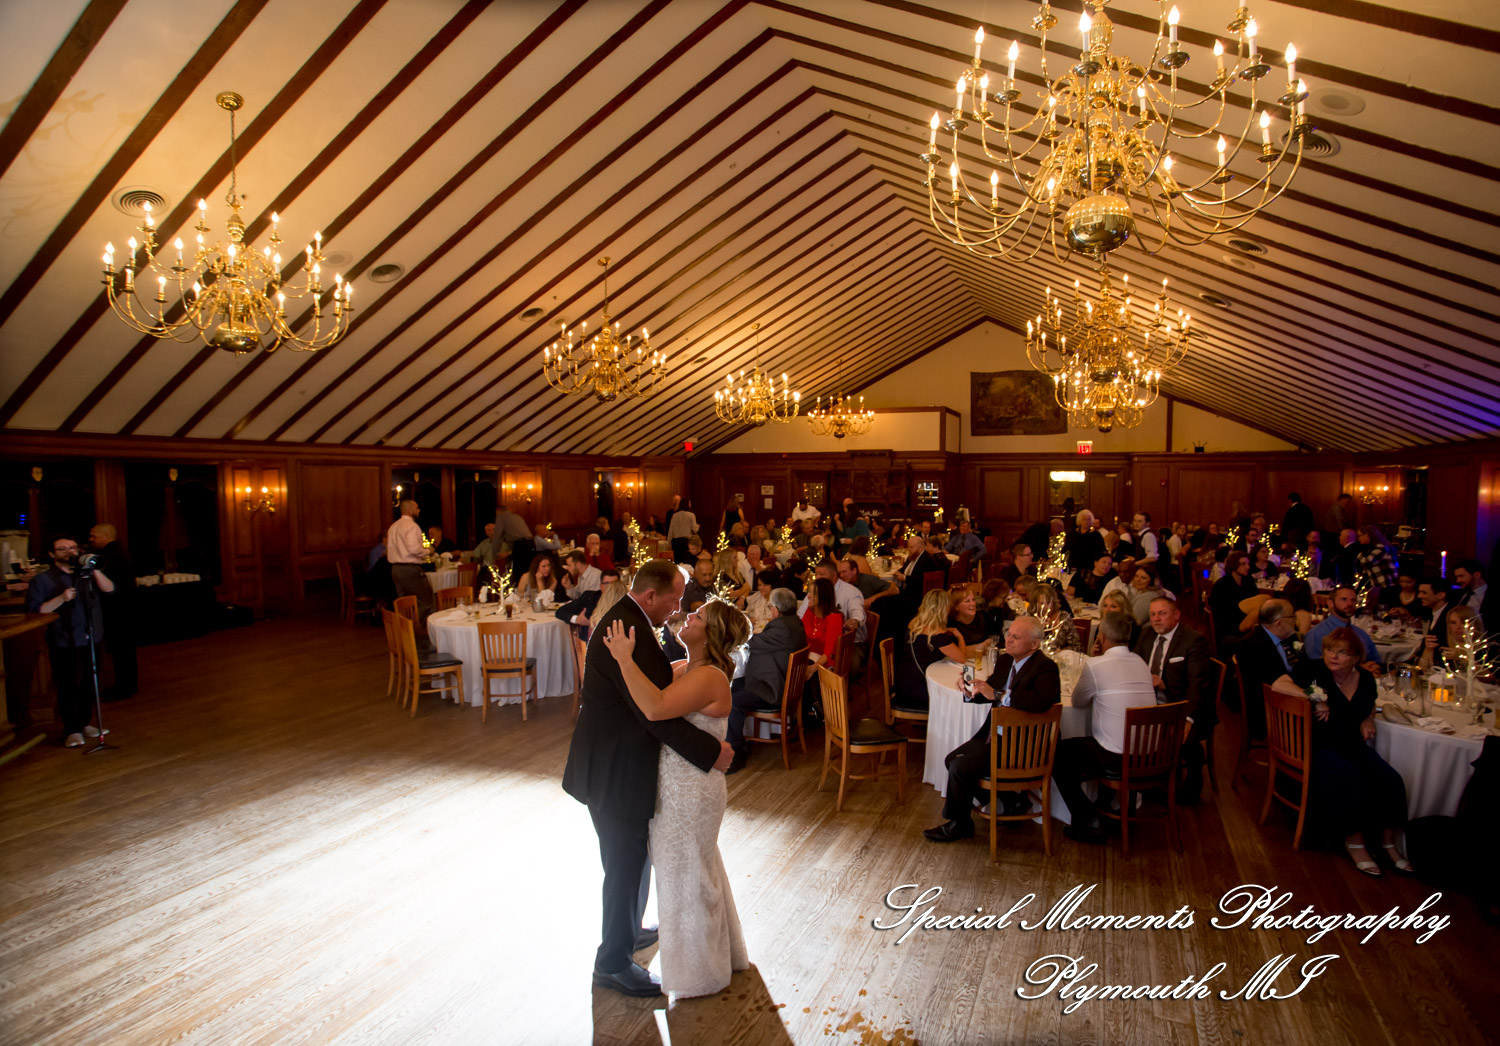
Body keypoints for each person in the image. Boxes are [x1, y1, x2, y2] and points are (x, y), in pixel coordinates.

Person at [570, 567, 740, 998]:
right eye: (674, 599)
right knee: (623, 866)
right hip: (612, 769)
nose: (679, 608)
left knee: (635, 858)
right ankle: (612, 963)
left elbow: (660, 701)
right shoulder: (627, 630)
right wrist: (709, 751)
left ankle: (628, 931)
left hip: (622, 764)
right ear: (649, 597)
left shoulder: (634, 624)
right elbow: (653, 713)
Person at [1271, 628, 1410, 876]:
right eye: (1329, 650)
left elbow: (1370, 703)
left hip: (1352, 744)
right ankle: (1354, 842)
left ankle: (1388, 843)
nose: (1333, 656)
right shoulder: (1313, 670)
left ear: (1355, 657)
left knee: (1391, 779)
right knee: (1352, 777)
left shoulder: (1365, 678)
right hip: (1319, 745)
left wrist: (1368, 719)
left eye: (1342, 652)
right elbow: (1278, 684)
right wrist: (1314, 698)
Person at [923, 616, 1060, 842]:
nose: (1009, 640)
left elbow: (1039, 703)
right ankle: (1010, 801)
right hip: (994, 735)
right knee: (951, 760)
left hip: (1022, 744)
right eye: (1009, 634)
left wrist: (997, 694)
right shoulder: (1006, 661)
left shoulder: (1045, 668)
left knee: (959, 767)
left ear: (1034, 644)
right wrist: (971, 691)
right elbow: (991, 691)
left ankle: (960, 825)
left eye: (1016, 637)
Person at [1053, 612, 1157, 843]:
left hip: (1118, 757)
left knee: (1057, 754)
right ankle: (1105, 803)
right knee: (1107, 735)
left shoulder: (1096, 665)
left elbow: (1078, 702)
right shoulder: (1140, 662)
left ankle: (1087, 819)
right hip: (1150, 753)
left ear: (1101, 636)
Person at [25, 533, 117, 747]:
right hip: (65, 640)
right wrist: (61, 598)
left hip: (92, 637)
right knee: (69, 686)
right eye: (63, 548)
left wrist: (94, 569)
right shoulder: (43, 579)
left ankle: (85, 723)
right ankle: (72, 729)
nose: (70, 552)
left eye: (73, 547)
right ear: (52, 554)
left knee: (89, 683)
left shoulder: (85, 575)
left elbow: (110, 589)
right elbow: (36, 612)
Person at [1132, 596, 1215, 802]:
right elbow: (1133, 663)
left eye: (1162, 613)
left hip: (1183, 705)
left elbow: (1197, 686)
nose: (1156, 619)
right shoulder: (1147, 633)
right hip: (1150, 702)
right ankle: (1147, 779)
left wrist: (1187, 719)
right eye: (1152, 614)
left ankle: (1188, 781)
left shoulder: (1193, 641)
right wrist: (1146, 676)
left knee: (1182, 737)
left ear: (1177, 615)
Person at [727, 588, 806, 768]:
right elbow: (762, 641)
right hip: (783, 684)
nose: (770, 610)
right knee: (731, 685)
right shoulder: (795, 623)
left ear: (775, 610)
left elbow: (751, 643)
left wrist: (732, 631)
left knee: (732, 702)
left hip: (772, 690)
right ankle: (736, 739)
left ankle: (735, 753)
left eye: (770, 607)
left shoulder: (782, 627)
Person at [1232, 598, 1299, 741]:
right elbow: (1276, 683)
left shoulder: (1286, 637)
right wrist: (1313, 697)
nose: (1295, 620)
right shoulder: (1253, 645)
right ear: (1279, 623)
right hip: (1270, 712)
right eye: (1292, 616)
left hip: (1286, 697)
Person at [89, 523, 137, 701]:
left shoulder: (112, 556)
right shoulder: (116, 553)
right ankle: (126, 685)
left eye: (94, 536)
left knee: (122, 651)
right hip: (123, 608)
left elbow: (113, 587)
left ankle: (125, 687)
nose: (91, 539)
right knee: (123, 650)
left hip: (119, 610)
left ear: (105, 536)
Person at [388, 500, 434, 637]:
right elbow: (414, 549)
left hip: (395, 569)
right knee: (426, 601)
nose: (419, 510)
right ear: (410, 511)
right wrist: (428, 551)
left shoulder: (393, 526)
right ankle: (413, 631)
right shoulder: (412, 526)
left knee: (405, 603)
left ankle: (404, 634)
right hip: (410, 569)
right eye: (417, 508)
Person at [1304, 586, 1380, 667]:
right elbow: (1315, 668)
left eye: (1353, 600)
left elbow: (1376, 661)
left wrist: (1373, 668)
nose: (1349, 604)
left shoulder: (1361, 633)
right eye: (1344, 599)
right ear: (1331, 603)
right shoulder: (1316, 634)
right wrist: (1361, 669)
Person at [1209, 551, 1258, 650]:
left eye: (1248, 564)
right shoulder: (1222, 585)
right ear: (1233, 565)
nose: (1247, 567)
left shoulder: (1248, 581)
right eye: (1243, 564)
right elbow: (1221, 614)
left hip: (1248, 624)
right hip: (1228, 628)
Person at [555, 567, 623, 638]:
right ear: (601, 586)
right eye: (607, 583)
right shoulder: (590, 597)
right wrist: (577, 619)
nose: (610, 587)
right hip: (590, 641)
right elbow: (561, 611)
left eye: (614, 584)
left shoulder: (624, 601)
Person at [800, 577, 844, 668]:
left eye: (813, 593)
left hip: (823, 664)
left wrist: (812, 669)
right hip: (808, 658)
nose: (808, 596)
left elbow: (829, 653)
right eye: (809, 592)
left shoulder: (834, 618)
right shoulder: (810, 612)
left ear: (823, 596)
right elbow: (800, 636)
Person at [1028, 582, 1081, 652]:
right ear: (1035, 603)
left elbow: (1077, 646)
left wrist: (1062, 651)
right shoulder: (1029, 619)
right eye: (1042, 603)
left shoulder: (1063, 617)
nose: (1046, 606)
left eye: (1049, 602)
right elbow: (1024, 646)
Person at [494, 503, 534, 584]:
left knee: (518, 572)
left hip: (520, 545)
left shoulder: (501, 517)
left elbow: (497, 537)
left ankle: (519, 589)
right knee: (529, 570)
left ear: (498, 512)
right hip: (531, 543)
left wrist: (495, 555)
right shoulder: (518, 517)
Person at [946, 585, 990, 655]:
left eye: (973, 600)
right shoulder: (949, 623)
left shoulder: (983, 616)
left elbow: (994, 640)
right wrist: (981, 646)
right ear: (956, 607)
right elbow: (954, 652)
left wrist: (972, 649)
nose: (973, 603)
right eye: (967, 601)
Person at [1356, 526, 1398, 596]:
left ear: (1367, 535)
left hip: (1388, 585)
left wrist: (1359, 554)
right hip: (1378, 586)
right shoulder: (1370, 550)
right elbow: (1365, 573)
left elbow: (1367, 562)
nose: (1358, 538)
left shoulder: (1381, 548)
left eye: (1360, 536)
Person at [667, 499, 699, 564]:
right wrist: (698, 526)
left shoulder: (675, 515)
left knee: (677, 562)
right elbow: (695, 529)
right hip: (686, 542)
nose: (690, 505)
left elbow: (671, 531)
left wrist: (669, 543)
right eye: (689, 503)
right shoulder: (691, 515)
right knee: (687, 562)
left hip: (676, 543)